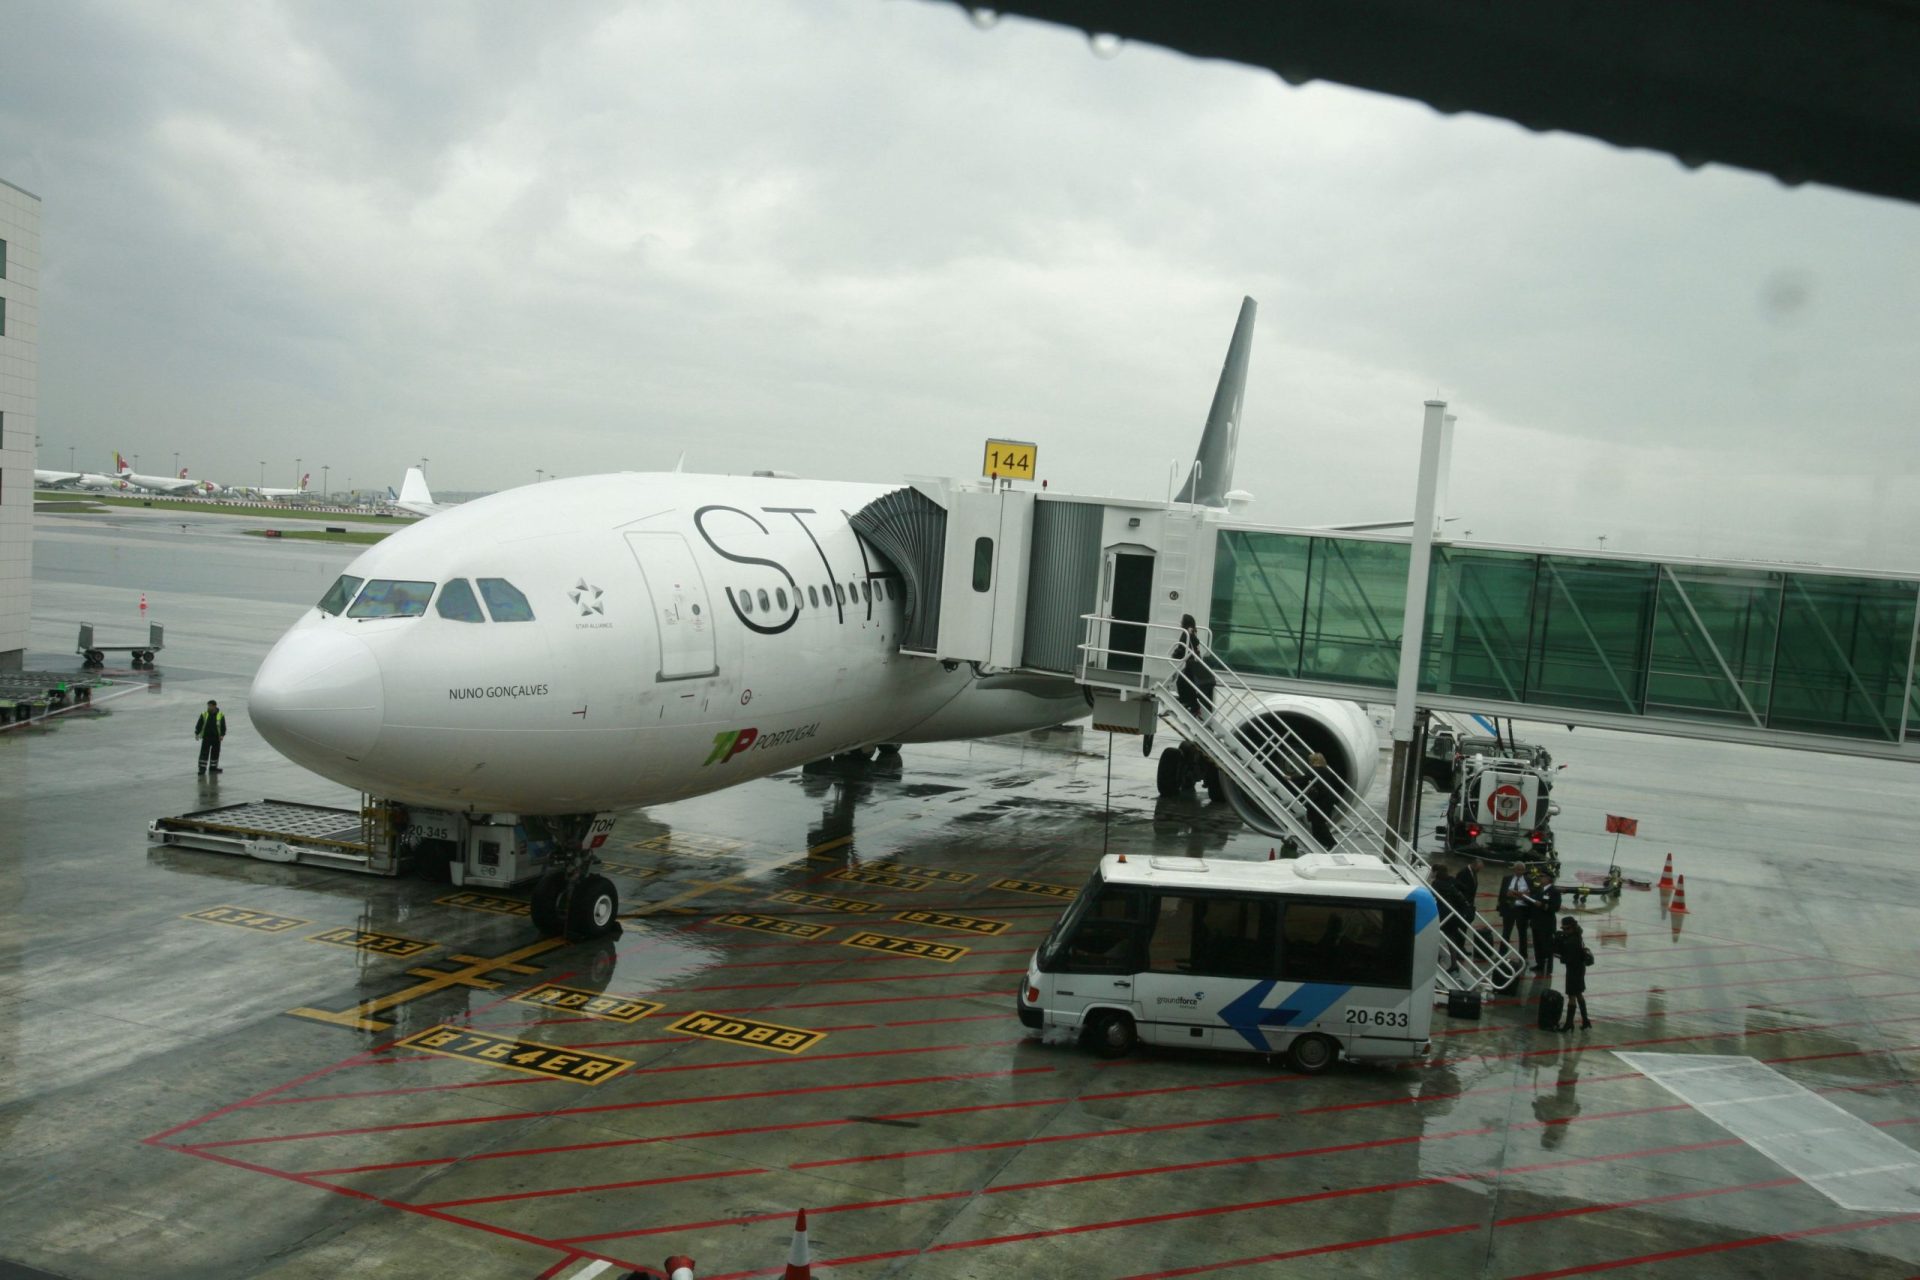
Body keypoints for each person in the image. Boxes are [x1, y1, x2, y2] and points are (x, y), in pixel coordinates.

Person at [1169, 614, 1216, 719]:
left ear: (1185, 622)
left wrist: (1174, 655)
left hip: (1191, 664)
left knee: (1181, 682)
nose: (1180, 622)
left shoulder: (1186, 633)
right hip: (1195, 662)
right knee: (1186, 684)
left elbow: (1182, 647)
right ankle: (1191, 705)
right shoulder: (1193, 632)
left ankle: (1192, 705)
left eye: (1181, 620)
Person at [1555, 915, 1594, 1030]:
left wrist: (1559, 956)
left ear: (1572, 928)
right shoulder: (1577, 936)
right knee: (1578, 994)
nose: (1565, 931)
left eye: (1567, 929)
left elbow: (1568, 958)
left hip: (1573, 970)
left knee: (1572, 996)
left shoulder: (1572, 941)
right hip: (1579, 968)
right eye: (1564, 929)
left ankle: (1569, 1023)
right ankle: (1585, 1020)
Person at [1500, 866, 1534, 967]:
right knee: (1506, 932)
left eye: (1521, 869)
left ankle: (1523, 956)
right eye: (1517, 869)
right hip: (1509, 908)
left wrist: (1520, 895)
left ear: (1524, 870)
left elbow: (1531, 894)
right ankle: (1502, 953)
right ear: (1514, 869)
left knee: (1522, 934)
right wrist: (1510, 895)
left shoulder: (1529, 880)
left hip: (1522, 909)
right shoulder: (1507, 879)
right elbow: (1502, 893)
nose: (1519, 871)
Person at [1530, 869, 1563, 975]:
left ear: (1549, 878)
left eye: (1542, 876)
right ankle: (1539, 964)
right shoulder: (1540, 889)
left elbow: (1555, 907)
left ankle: (1548, 968)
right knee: (1537, 945)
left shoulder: (1554, 891)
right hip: (1536, 922)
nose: (1540, 878)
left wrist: (1543, 906)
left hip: (1546, 924)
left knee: (1547, 947)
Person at [1302, 752, 1337, 849]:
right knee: (1319, 821)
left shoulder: (1315, 770)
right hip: (1327, 798)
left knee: (1318, 822)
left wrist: (1291, 777)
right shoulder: (1326, 770)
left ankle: (1330, 842)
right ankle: (1324, 842)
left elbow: (1305, 778)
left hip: (1322, 799)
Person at [195, 699, 227, 775]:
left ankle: (213, 768)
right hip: (206, 737)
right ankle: (202, 769)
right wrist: (197, 733)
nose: (208, 707)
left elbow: (223, 726)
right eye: (208, 706)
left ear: (214, 706)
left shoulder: (220, 715)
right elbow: (199, 724)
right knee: (204, 753)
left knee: (215, 753)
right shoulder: (204, 714)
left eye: (210, 706)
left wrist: (222, 735)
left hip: (216, 738)